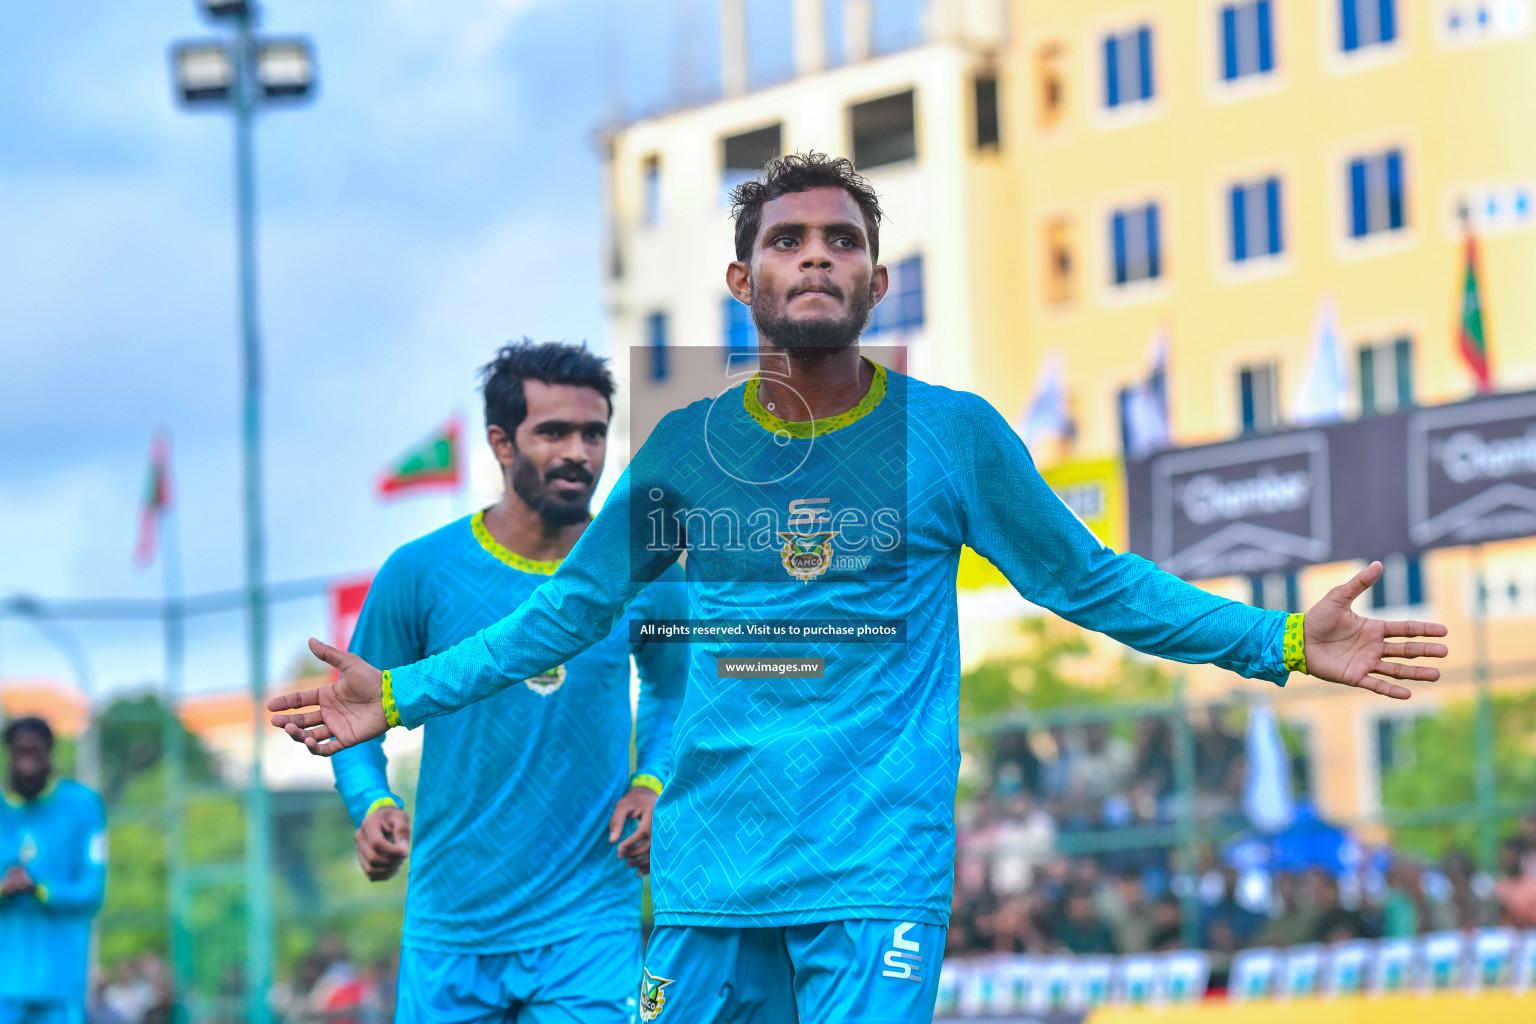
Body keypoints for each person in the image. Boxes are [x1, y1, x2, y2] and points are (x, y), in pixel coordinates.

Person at [270, 152, 1451, 1022]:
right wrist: (404, 695)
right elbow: (566, 612)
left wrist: (1281, 635)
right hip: (707, 879)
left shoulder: (953, 438)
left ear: (880, 281)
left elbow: (1092, 582)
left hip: (873, 874)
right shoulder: (684, 451)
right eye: (789, 240)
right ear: (744, 277)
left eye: (841, 240)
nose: (817, 255)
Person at [327, 342, 688, 1023]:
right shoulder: (421, 573)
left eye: (593, 432)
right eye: (553, 432)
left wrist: (652, 782)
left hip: (591, 919)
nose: (579, 451)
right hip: (451, 927)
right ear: (500, 441)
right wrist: (371, 802)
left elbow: (676, 690)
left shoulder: (648, 566)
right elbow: (354, 716)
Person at [0, 716, 107, 1024]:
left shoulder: (83, 805)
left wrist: (42, 889)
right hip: (4, 984)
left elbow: (92, 891)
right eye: (19, 753)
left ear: (50, 753)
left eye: (35, 752)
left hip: (60, 984)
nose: (27, 763)